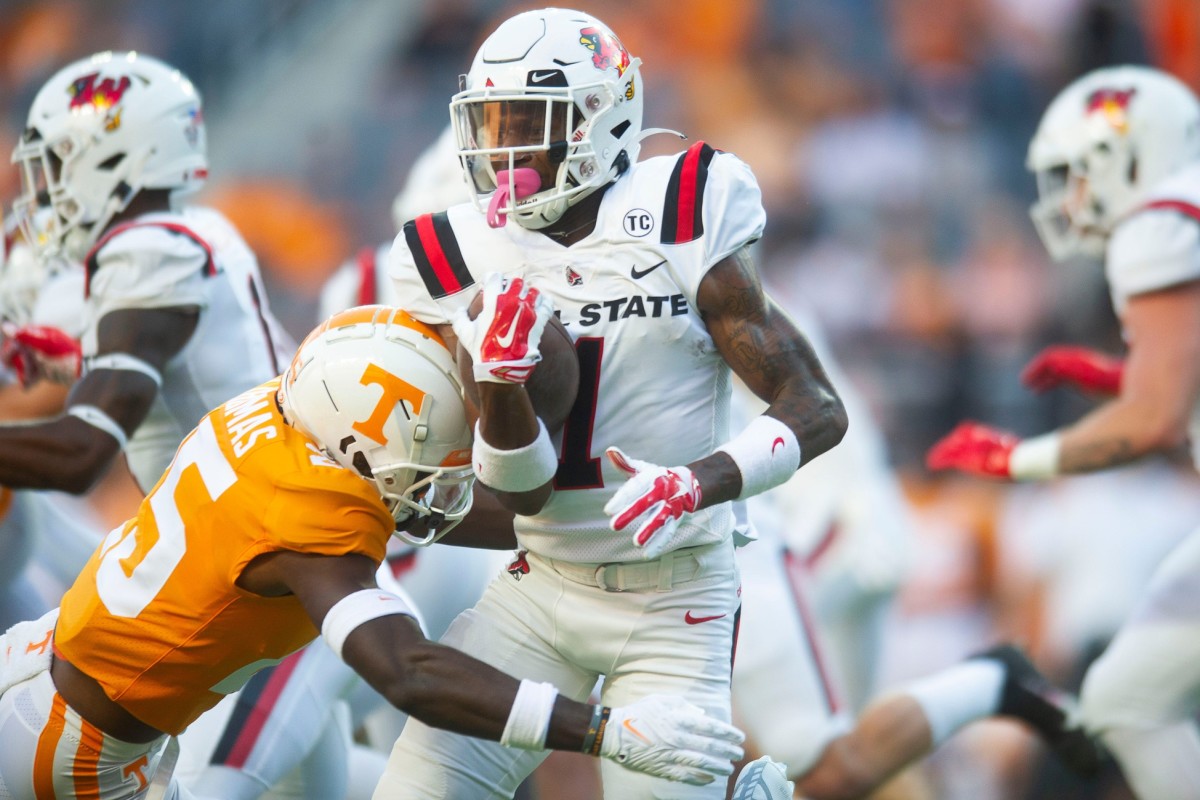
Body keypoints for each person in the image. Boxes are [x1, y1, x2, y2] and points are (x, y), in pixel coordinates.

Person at [377, 8, 848, 799]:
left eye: (531, 124)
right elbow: (511, 488)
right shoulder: (447, 252)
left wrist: (697, 480)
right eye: (492, 125)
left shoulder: (682, 207)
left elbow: (815, 406)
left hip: (677, 590)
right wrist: (488, 395)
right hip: (541, 581)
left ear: (603, 118)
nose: (506, 152)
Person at [0, 303, 746, 799]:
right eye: (444, 464)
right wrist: (603, 729)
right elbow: (408, 672)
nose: (455, 481)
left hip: (46, 669)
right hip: (71, 750)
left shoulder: (283, 409)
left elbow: (438, 505)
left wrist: (618, 518)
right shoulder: (312, 527)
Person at [928, 65, 1200, 800]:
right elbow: (1176, 390)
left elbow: (1157, 420)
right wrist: (1121, 376)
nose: (1071, 199)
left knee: (1129, 702)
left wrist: (1019, 458)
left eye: (1081, 174)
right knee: (1125, 702)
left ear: (1133, 156)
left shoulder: (1161, 224)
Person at [0, 50, 291, 498]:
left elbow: (80, 454)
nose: (42, 193)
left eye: (55, 164)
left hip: (251, 527)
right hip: (260, 507)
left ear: (111, 156)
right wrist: (82, 363)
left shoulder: (150, 253)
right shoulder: (192, 230)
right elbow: (188, 374)